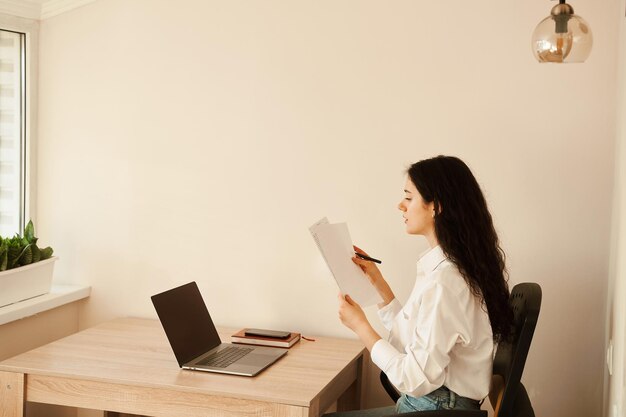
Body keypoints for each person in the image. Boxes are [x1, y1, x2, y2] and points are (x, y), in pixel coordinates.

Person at [330, 155, 513, 415]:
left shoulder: (446, 282)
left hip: (435, 407)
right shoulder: (446, 271)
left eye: (408, 197)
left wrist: (360, 326)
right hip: (436, 403)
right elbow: (416, 338)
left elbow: (412, 378)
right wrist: (378, 284)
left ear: (435, 207)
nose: (400, 206)